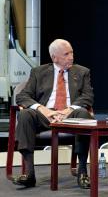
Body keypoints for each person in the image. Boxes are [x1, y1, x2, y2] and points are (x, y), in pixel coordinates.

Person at [12, 39, 94, 189]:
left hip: (71, 115)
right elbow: (22, 96)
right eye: (66, 54)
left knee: (83, 113)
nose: (71, 57)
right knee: (25, 115)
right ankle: (29, 174)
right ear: (54, 57)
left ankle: (82, 172)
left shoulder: (82, 72)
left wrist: (69, 109)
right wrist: (43, 109)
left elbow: (88, 96)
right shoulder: (38, 72)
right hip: (46, 116)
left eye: (72, 53)